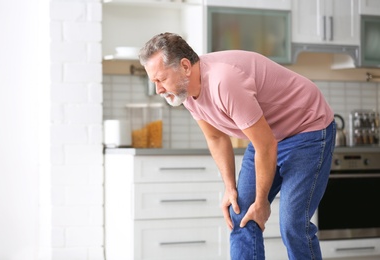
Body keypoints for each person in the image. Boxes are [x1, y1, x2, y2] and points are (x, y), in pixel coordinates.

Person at [139, 32, 336, 260]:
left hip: (307, 129)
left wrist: (261, 202)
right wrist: (230, 188)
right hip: (266, 135)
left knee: (292, 224)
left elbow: (265, 145)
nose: (158, 90)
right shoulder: (186, 91)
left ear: (185, 66)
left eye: (160, 79)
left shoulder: (224, 81)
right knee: (239, 212)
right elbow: (216, 138)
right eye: (154, 82)